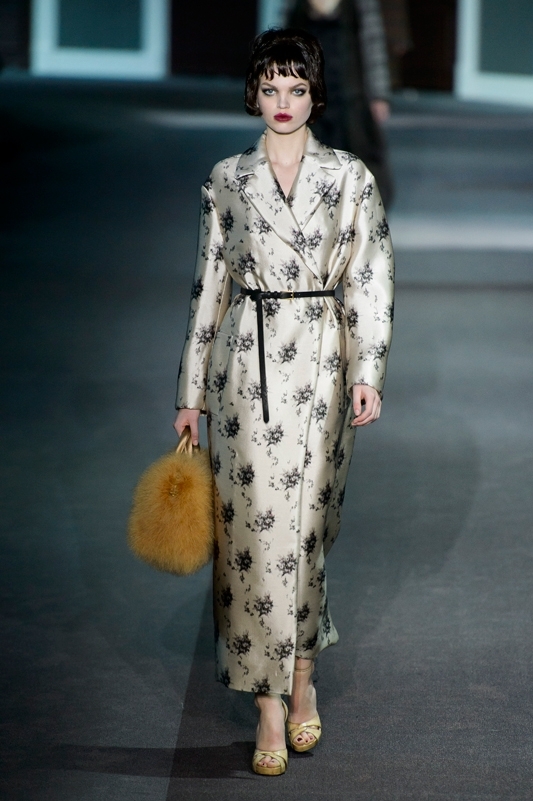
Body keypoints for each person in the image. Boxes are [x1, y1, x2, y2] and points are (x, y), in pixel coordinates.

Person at [174, 28, 394, 776]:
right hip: (245, 367)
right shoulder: (226, 179)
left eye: (295, 89)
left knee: (305, 533)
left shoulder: (349, 176)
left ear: (314, 95)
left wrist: (368, 369)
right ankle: (270, 702)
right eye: (269, 88)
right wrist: (190, 392)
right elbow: (208, 284)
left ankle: (302, 675)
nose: (282, 102)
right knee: (248, 538)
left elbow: (369, 274)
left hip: (324, 367)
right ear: (253, 93)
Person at [285, 0, 395, 206]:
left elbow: (372, 44)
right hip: (308, 96)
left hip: (350, 95)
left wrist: (378, 94)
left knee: (357, 159)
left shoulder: (360, 5)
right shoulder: (296, 5)